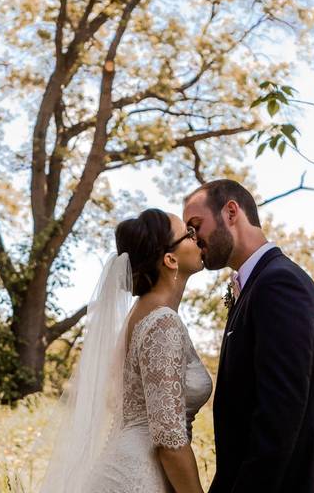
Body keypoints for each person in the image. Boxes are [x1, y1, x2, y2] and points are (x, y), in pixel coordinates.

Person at [40, 208, 211, 493]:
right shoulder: (162, 322)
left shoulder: (140, 315)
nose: (198, 239)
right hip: (139, 480)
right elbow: (169, 439)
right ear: (170, 259)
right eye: (189, 234)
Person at [182, 179, 314, 493]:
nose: (193, 238)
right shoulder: (254, 285)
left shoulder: (279, 284)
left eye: (196, 225)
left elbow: (279, 415)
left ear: (231, 212)